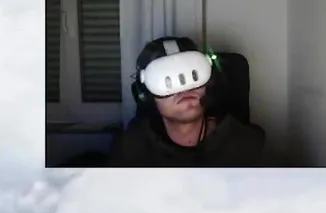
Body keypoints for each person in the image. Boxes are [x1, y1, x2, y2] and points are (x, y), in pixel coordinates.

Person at [109, 36, 265, 167]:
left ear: (208, 83)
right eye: (167, 82)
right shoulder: (130, 148)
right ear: (146, 94)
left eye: (193, 76)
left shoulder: (248, 146)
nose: (184, 90)